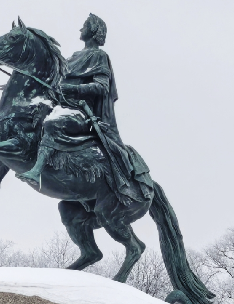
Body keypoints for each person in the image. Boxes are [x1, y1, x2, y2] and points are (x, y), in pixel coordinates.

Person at [17, 14, 145, 201]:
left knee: (52, 124)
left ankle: (36, 171)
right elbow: (56, 80)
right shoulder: (74, 57)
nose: (80, 29)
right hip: (62, 106)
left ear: (93, 31)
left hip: (81, 112)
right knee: (26, 120)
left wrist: (71, 88)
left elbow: (102, 87)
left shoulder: (99, 56)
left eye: (84, 26)